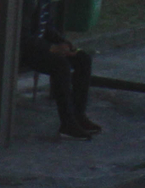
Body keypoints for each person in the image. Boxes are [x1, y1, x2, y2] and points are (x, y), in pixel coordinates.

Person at [21, 0, 101, 138]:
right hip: (24, 50)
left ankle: (78, 114)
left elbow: (47, 27)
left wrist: (63, 43)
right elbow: (22, 37)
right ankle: (67, 123)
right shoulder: (26, 3)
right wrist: (52, 48)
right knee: (60, 65)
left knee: (83, 59)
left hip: (40, 45)